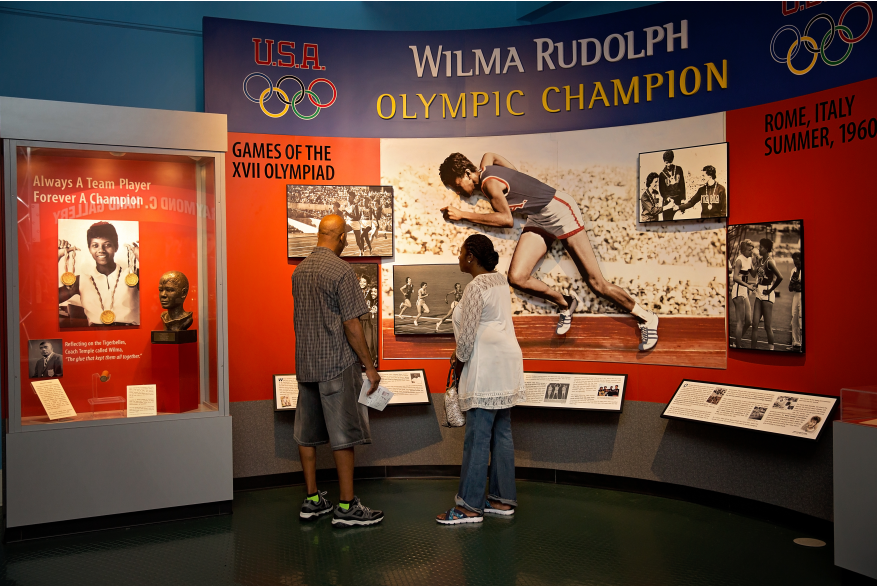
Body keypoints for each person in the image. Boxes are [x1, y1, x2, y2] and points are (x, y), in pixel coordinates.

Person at [439, 152, 659, 350]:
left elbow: (506, 220)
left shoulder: (489, 185)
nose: (458, 193)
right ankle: (566, 302)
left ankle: (646, 317)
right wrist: (517, 180)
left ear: (467, 173)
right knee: (517, 277)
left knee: (596, 283)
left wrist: (463, 215)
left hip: (560, 211)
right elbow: (491, 155)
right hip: (540, 216)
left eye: (457, 186)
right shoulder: (485, 166)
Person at [291, 214, 384, 527]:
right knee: (344, 435)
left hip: (305, 365)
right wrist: (369, 366)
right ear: (343, 237)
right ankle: (346, 506)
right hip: (336, 363)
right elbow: (351, 324)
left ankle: (313, 499)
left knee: (307, 434)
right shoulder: (342, 270)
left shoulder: (299, 271)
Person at [437, 234, 525, 525]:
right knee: (502, 433)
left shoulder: (475, 287)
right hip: (508, 362)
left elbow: (467, 340)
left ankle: (469, 507)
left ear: (471, 256)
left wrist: (457, 362)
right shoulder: (500, 281)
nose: (459, 257)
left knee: (477, 437)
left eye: (461, 253)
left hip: (485, 366)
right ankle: (501, 500)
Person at [58, 221, 140, 326]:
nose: (101, 250)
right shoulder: (80, 281)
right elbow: (49, 300)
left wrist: (143, 257)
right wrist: (57, 255)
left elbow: (157, 290)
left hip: (132, 334)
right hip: (96, 337)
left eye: (107, 245)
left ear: (116, 247)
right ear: (89, 249)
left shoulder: (134, 275)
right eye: (95, 245)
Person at [750, 238, 784, 351]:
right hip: (759, 292)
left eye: (761, 247)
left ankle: (771, 350)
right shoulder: (760, 260)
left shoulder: (770, 261)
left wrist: (770, 290)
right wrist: (753, 263)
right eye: (759, 247)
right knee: (754, 324)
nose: (759, 249)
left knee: (767, 326)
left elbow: (780, 277)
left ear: (767, 249)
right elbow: (754, 274)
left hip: (767, 293)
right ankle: (752, 350)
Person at [730, 239, 756, 348]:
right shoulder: (739, 260)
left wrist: (757, 265)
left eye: (752, 250)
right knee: (740, 322)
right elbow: (735, 278)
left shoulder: (749, 259)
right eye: (749, 250)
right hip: (737, 291)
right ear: (743, 250)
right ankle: (738, 346)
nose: (751, 252)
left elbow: (753, 274)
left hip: (744, 290)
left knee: (749, 321)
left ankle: (736, 342)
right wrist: (748, 285)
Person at [658, 150, 686, 221]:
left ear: (672, 160)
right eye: (666, 162)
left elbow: (682, 185)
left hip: (678, 200)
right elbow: (662, 191)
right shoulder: (661, 175)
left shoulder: (679, 169)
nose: (668, 164)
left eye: (670, 162)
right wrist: (668, 199)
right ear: (664, 162)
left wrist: (682, 200)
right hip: (668, 202)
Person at [789, 251, 803, 351]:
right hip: (796, 296)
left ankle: (804, 343)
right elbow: (790, 288)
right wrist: (793, 282)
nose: (795, 262)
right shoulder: (793, 271)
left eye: (797, 260)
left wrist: (798, 283)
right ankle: (796, 342)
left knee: (801, 318)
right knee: (794, 317)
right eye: (794, 260)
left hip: (803, 295)